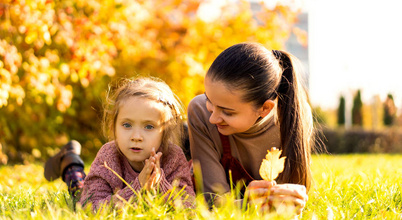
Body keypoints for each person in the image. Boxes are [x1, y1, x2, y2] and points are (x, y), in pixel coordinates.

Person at [188, 42, 314, 214]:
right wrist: (250, 203)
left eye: (227, 112)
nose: (213, 118)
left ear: (265, 109)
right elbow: (213, 201)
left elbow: (289, 200)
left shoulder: (294, 116)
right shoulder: (200, 112)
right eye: (209, 100)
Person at [45, 77, 195, 211]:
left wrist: (159, 183)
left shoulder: (173, 157)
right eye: (127, 125)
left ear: (165, 133)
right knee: (78, 190)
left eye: (149, 126)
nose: (136, 137)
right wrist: (138, 187)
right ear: (113, 127)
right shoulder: (109, 156)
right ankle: (70, 162)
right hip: (91, 191)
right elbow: (89, 207)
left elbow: (189, 208)